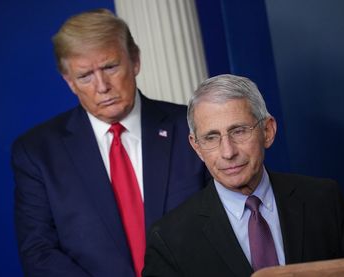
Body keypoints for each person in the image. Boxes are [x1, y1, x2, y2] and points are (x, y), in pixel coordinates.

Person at [11, 8, 208, 277]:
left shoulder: (192, 126)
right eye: (85, 76)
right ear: (69, 82)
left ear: (135, 61)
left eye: (110, 67)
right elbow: (39, 252)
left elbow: (228, 222)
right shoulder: (37, 152)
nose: (102, 86)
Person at [142, 74, 344, 277]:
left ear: (267, 131)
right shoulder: (169, 239)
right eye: (211, 138)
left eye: (239, 131)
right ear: (196, 147)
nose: (228, 152)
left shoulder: (325, 201)